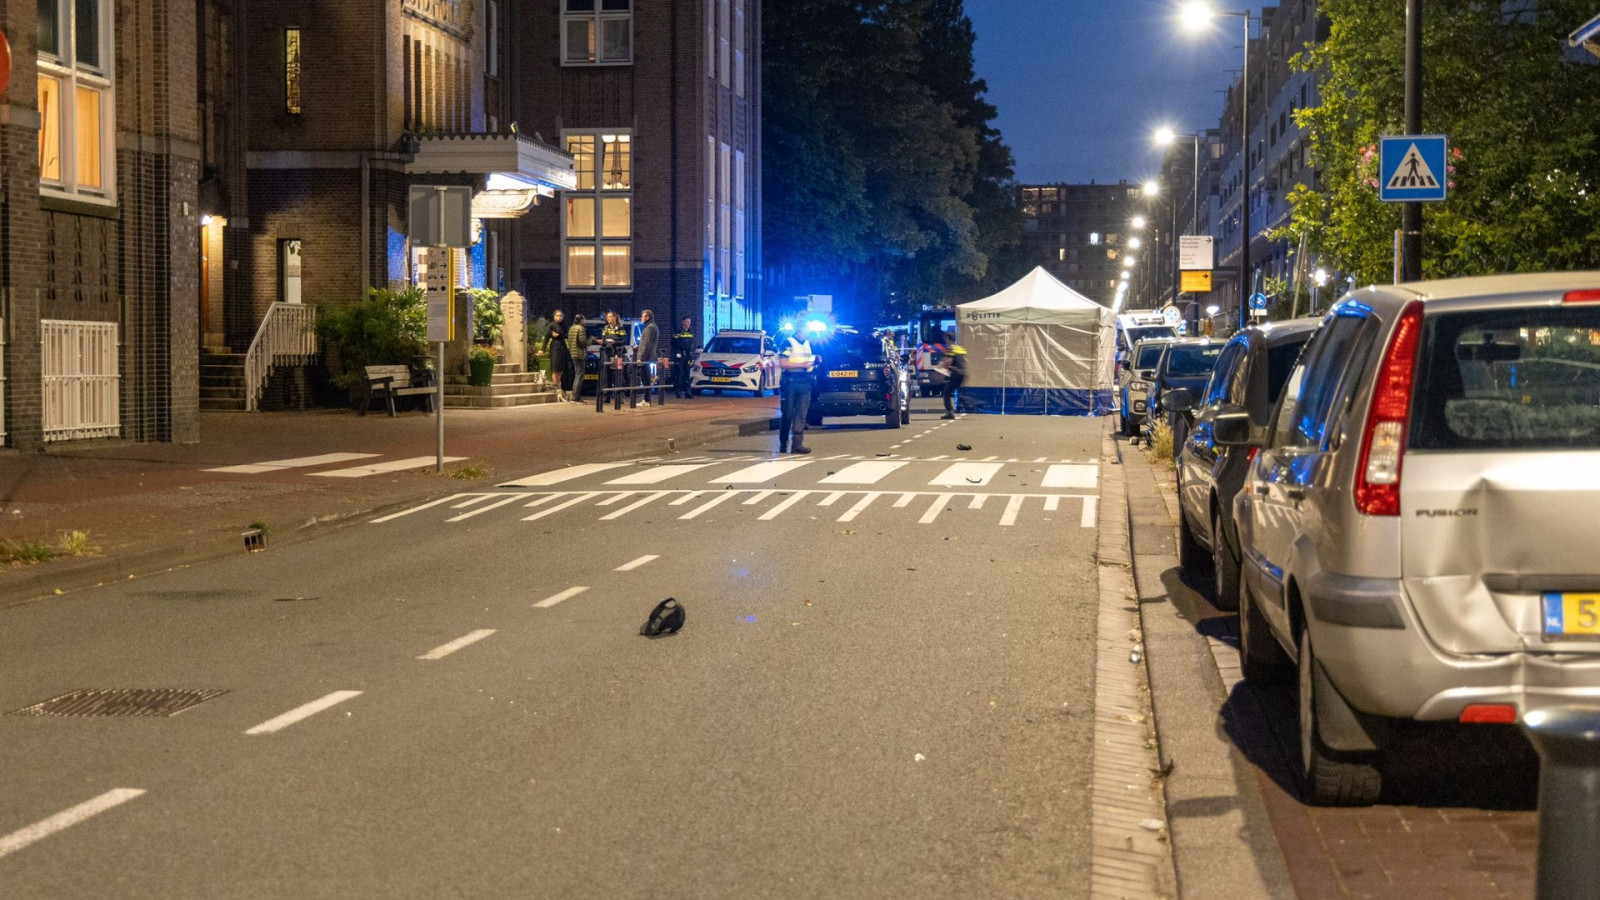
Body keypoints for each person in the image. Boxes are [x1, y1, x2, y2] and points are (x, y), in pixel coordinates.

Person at [777, 330, 816, 455]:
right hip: (790, 382)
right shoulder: (789, 342)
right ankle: (783, 443)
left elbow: (808, 361)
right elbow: (782, 363)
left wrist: (814, 363)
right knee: (787, 415)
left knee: (801, 415)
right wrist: (803, 365)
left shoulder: (807, 344)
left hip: (805, 382)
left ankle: (797, 445)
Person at [545, 310, 571, 402]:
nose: (559, 317)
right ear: (554, 316)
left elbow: (566, 335)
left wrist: (559, 334)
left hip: (562, 347)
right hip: (554, 347)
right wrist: (542, 349)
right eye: (557, 315)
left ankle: (559, 388)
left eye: (560, 316)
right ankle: (556, 387)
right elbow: (547, 337)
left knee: (560, 369)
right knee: (555, 368)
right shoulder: (552, 325)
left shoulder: (564, 325)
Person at [635, 309, 658, 405]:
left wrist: (641, 357)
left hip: (646, 358)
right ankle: (646, 399)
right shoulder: (652, 327)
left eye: (642, 316)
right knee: (645, 378)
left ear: (647, 317)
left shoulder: (649, 328)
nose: (641, 318)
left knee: (644, 377)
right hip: (648, 357)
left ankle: (646, 399)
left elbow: (647, 344)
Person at [671, 317, 697, 399]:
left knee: (687, 374)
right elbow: (674, 344)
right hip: (680, 356)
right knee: (679, 373)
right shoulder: (678, 332)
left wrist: (692, 357)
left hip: (688, 356)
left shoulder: (691, 332)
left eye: (689, 322)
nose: (688, 324)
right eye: (687, 322)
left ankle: (688, 392)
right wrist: (677, 354)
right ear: (683, 322)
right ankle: (678, 392)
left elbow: (692, 345)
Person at [566, 314, 589, 401]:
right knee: (580, 375)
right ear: (581, 320)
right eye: (584, 320)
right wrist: (591, 340)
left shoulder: (571, 328)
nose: (585, 322)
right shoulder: (581, 328)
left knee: (577, 375)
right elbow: (583, 342)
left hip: (573, 354)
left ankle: (574, 395)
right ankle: (576, 396)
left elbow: (569, 341)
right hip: (579, 354)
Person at [942, 342, 967, 419]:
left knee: (947, 393)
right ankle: (964, 407)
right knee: (958, 391)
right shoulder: (959, 349)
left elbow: (947, 362)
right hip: (962, 374)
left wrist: (944, 371)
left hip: (955, 374)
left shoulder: (951, 348)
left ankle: (949, 412)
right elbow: (966, 361)